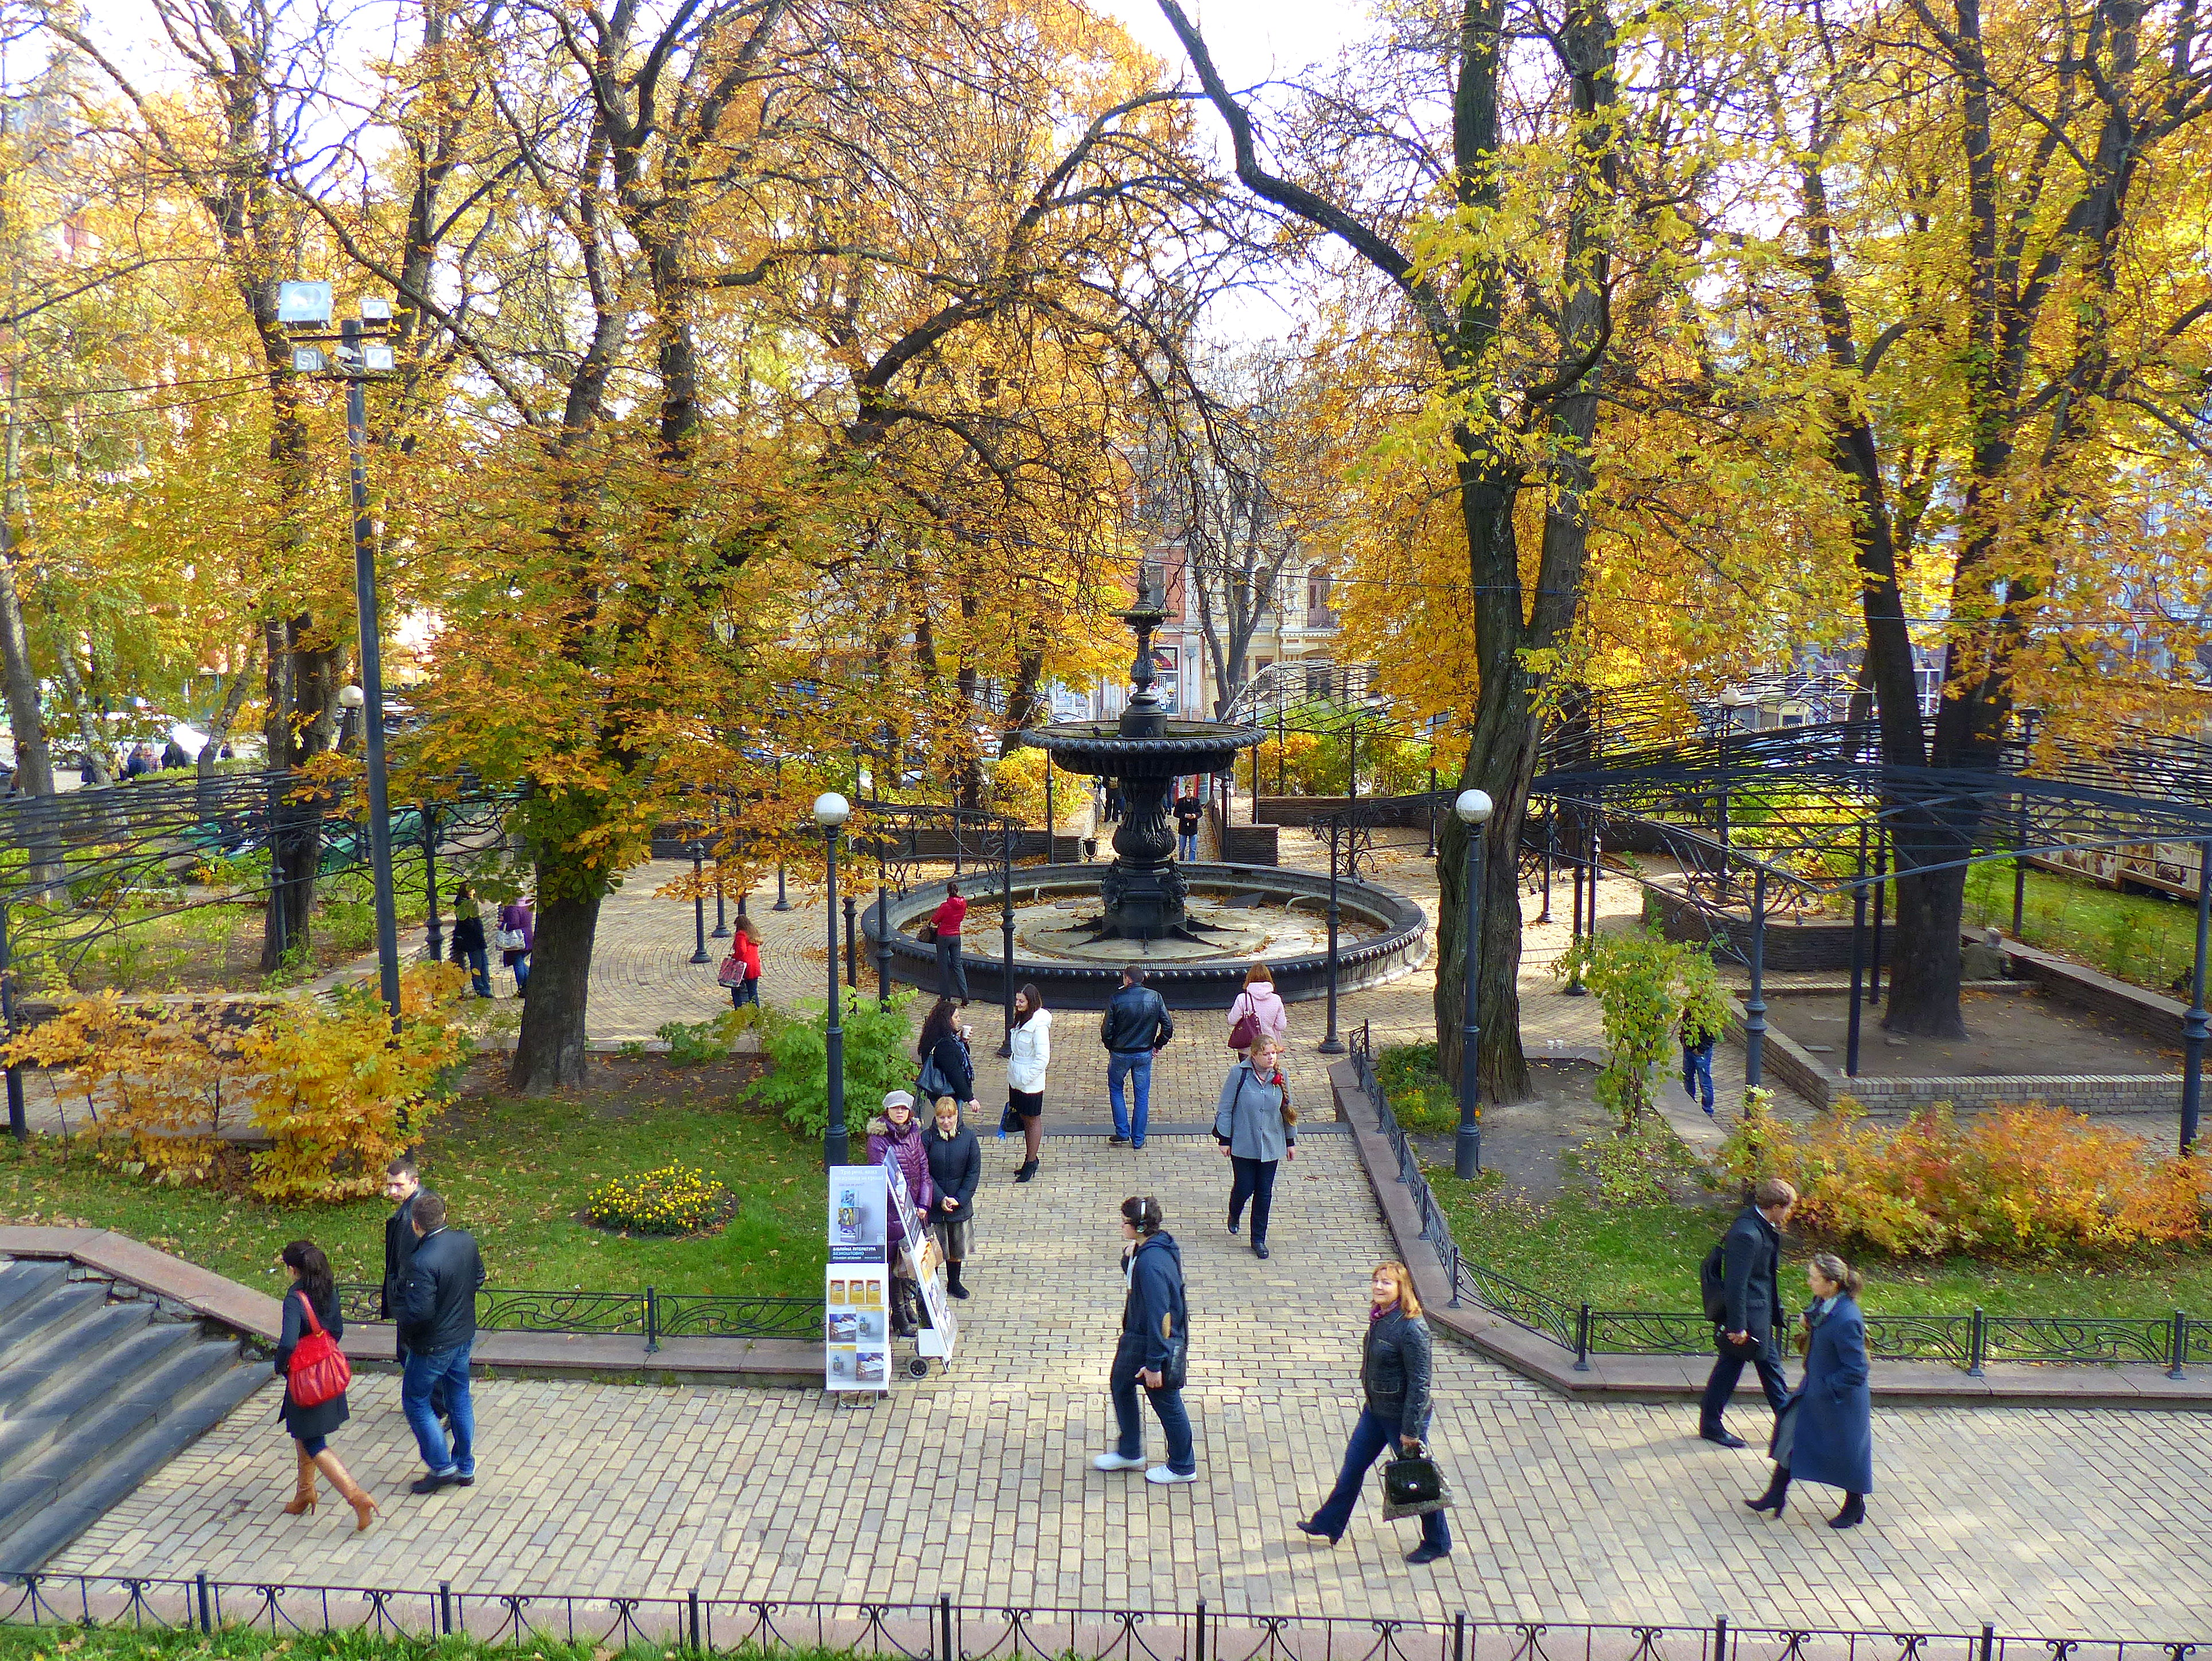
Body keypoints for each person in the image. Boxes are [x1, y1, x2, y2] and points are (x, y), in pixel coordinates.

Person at [1299, 1261, 1451, 1563]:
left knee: (1418, 1480)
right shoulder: (1382, 1317)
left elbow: (1420, 1383)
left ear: (1401, 1289)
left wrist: (1410, 1431)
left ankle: (1438, 1541)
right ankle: (1329, 1522)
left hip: (1402, 1420)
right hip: (1376, 1412)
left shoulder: (1412, 1328)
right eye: (1376, 1281)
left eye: (1387, 1283)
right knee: (1353, 1467)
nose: (1379, 1287)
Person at [1747, 1253, 1873, 1530]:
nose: (1809, 1283)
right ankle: (1776, 1493)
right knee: (1791, 1433)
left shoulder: (1847, 1319)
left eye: (1814, 1279)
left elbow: (1857, 1370)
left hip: (1840, 1400)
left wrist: (1826, 1388)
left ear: (1832, 1284)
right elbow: (1817, 1319)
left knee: (1847, 1453)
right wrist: (1808, 1321)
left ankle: (1855, 1505)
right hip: (1813, 1390)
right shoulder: (1824, 1305)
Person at [274, 1239, 379, 1532]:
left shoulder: (295, 1299)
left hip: (306, 1379)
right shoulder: (327, 1288)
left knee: (313, 1442)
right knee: (303, 1430)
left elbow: (288, 1342)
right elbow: (338, 1330)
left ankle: (356, 1497)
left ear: (293, 1270)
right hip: (327, 1374)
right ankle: (305, 1491)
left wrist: (281, 1363)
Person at [1092, 1195, 1195, 1484]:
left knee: (1165, 1398)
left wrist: (1154, 1364)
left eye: (1124, 1222)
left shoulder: (1151, 1263)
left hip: (1151, 1342)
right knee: (1121, 1383)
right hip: (1136, 1338)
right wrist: (1130, 1257)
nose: (1120, 1226)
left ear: (1138, 1226)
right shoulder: (1156, 1246)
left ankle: (1183, 1466)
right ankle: (1129, 1451)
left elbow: (1159, 1317)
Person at [1699, 1177, 1797, 1447]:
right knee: (1758, 1371)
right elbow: (1735, 1284)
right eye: (1787, 1208)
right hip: (1750, 1319)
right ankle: (1790, 1431)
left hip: (1758, 1314)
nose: (1788, 1214)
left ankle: (1712, 1424)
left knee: (1749, 1369)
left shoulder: (1759, 1226)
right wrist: (1737, 1326)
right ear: (1776, 1207)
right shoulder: (1746, 1234)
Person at [399, 1190, 484, 1495]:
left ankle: (441, 1467)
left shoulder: (421, 1261)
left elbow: (420, 1313)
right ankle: (465, 1465)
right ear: (444, 1217)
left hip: (433, 1346)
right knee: (460, 1397)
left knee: (416, 1400)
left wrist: (408, 1335)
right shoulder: (466, 1242)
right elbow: (478, 1278)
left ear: (416, 1225)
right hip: (463, 1336)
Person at [1214, 1035, 1296, 1258]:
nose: (1271, 1058)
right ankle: (1234, 1211)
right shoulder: (1238, 1074)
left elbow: (1288, 1111)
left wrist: (1290, 1141)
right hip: (1243, 1142)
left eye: (1274, 1053)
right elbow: (1226, 1108)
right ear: (1255, 1054)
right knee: (1245, 1186)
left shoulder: (1281, 1076)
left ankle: (1258, 1239)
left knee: (1264, 1192)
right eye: (1266, 1054)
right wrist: (1225, 1139)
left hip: (1271, 1144)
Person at [380, 1157, 447, 1425]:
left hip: (413, 1295)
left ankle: (438, 1406)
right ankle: (438, 1402)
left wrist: (401, 1293)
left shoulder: (412, 1216)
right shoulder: (422, 1204)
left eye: (398, 1185)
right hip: (417, 1292)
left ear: (414, 1182)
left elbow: (408, 1262)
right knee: (413, 1352)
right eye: (390, 1186)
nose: (393, 1192)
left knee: (412, 1353)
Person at [868, 1091, 935, 1336]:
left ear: (910, 1112)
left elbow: (924, 1173)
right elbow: (881, 1178)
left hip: (915, 1213)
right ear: (887, 1111)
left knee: (911, 1263)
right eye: (895, 1108)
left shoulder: (915, 1135)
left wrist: (924, 1205)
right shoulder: (878, 1139)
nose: (899, 1112)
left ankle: (908, 1306)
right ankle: (898, 1312)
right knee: (894, 1265)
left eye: (904, 1109)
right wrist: (903, 1205)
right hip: (892, 1213)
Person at [1100, 965, 1173, 1148]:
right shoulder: (1155, 997)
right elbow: (1168, 1027)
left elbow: (1106, 1029)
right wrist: (1157, 1045)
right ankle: (1138, 1138)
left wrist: (1111, 1046)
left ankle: (1122, 1132)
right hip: (1144, 1053)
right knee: (1141, 1095)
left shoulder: (1117, 998)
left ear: (1127, 979)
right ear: (1143, 979)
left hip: (1121, 1052)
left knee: (1116, 1089)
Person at [924, 1095, 980, 1299]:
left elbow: (973, 1172)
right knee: (934, 1247)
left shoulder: (969, 1138)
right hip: (934, 1203)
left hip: (959, 1203)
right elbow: (924, 1172)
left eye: (950, 1117)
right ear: (936, 1118)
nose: (946, 1122)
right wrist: (940, 1198)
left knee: (956, 1246)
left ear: (957, 1116)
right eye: (941, 1118)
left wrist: (960, 1198)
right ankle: (934, 1284)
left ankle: (954, 1283)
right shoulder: (927, 1138)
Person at [1005, 983, 1052, 1182]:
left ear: (1031, 1001)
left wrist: (1026, 1077)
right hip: (1017, 1080)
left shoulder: (1039, 1026)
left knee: (1032, 1119)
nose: (1017, 1004)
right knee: (1024, 1118)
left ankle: (1031, 1161)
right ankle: (1029, 1159)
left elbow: (1043, 1058)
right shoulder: (1022, 1020)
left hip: (1030, 1082)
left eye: (1021, 1001)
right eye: (1017, 1000)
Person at [917, 997, 980, 1118]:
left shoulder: (936, 1037)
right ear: (947, 1020)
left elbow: (959, 1057)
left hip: (940, 1094)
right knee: (950, 1125)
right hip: (948, 1095)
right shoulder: (946, 1046)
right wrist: (970, 1098)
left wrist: (963, 1042)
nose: (959, 1020)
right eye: (956, 1017)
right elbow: (955, 1073)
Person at [1225, 963, 1288, 1059]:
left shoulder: (1243, 998)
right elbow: (1281, 1026)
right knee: (1269, 1073)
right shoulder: (1276, 999)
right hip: (1269, 1047)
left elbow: (1232, 1020)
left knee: (1247, 1073)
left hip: (1247, 1047)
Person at [449, 882, 490, 998]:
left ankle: (486, 987)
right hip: (472, 941)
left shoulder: (470, 903)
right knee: (477, 965)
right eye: (472, 890)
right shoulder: (463, 905)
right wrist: (478, 933)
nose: (474, 892)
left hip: (478, 940)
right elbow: (468, 924)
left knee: (484, 964)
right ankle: (481, 989)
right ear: (466, 891)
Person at [931, 883, 969, 1003]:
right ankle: (965, 996)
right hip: (956, 936)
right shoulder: (963, 905)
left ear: (948, 891)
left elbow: (935, 920)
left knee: (943, 966)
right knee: (958, 965)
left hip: (943, 936)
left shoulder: (945, 906)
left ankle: (946, 996)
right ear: (958, 891)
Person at [1680, 1006, 1721, 1116]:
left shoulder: (1708, 1008)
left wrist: (1700, 1049)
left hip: (1700, 1052)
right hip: (1688, 1048)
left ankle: (1707, 1110)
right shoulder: (1690, 1004)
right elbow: (1685, 1025)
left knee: (1704, 1081)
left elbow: (1711, 1034)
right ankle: (1690, 1104)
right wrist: (1683, 1040)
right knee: (1688, 1076)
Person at [495, 894, 535, 997]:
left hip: (517, 940)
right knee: (521, 962)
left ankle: (523, 988)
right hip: (528, 938)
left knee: (518, 963)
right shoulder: (527, 905)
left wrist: (502, 925)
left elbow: (514, 923)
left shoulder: (513, 908)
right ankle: (530, 985)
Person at [723, 914, 762, 1009]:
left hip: (743, 968)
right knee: (753, 993)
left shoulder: (741, 935)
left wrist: (734, 956)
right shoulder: (753, 934)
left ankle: (739, 1011)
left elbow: (742, 950)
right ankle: (756, 1015)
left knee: (736, 990)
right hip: (755, 967)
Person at [1174, 790, 1203, 861]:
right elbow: (1176, 813)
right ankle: (1181, 861)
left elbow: (1200, 812)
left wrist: (1195, 815)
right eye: (1188, 791)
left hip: (1193, 827)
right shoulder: (1180, 801)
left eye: (1191, 791)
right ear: (1185, 791)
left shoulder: (1196, 801)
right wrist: (1185, 815)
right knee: (1182, 848)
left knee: (1193, 848)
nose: (1190, 792)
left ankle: (1192, 862)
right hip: (1183, 827)